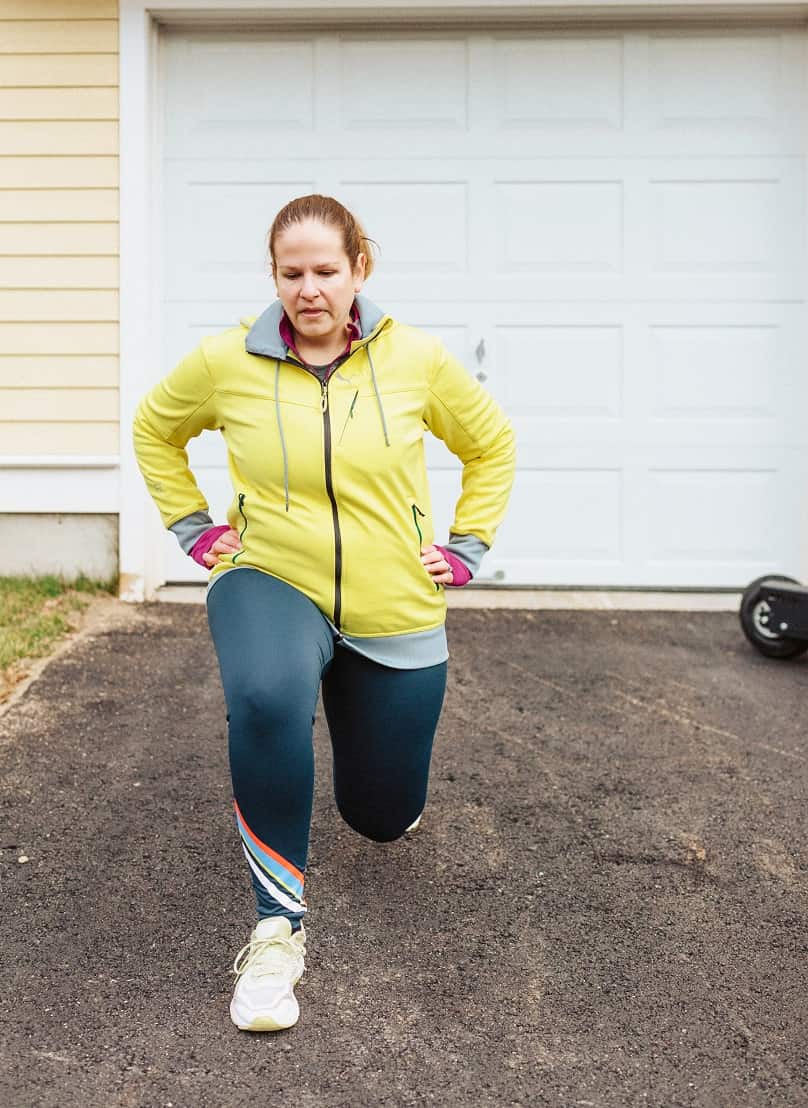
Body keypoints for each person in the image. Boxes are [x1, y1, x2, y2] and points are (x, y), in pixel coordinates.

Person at [133, 194, 516, 1032]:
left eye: (326, 271)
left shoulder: (415, 358)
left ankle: (383, 794)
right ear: (273, 276)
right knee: (267, 697)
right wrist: (196, 532)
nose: (309, 289)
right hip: (271, 573)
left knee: (377, 816)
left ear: (359, 270)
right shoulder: (226, 359)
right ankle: (277, 934)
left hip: (392, 601)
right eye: (291, 272)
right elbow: (155, 430)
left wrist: (465, 546)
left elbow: (492, 445)